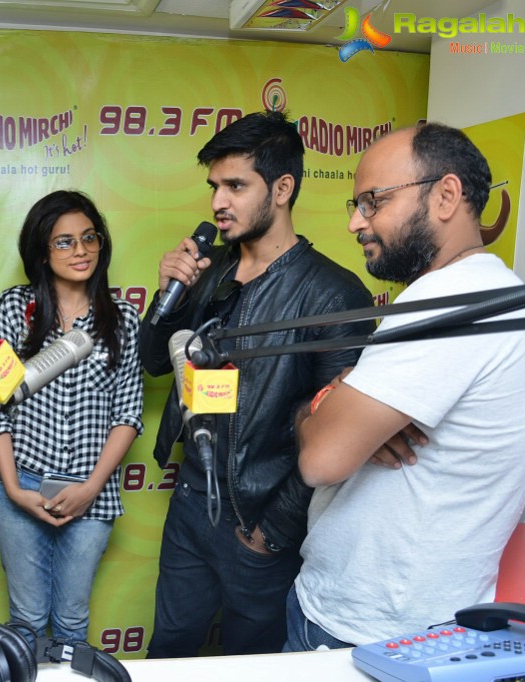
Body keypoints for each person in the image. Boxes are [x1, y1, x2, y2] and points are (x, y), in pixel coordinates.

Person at [288, 123, 525, 650]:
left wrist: (327, 410)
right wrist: (331, 403)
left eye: (372, 201)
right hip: (375, 612)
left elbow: (320, 457)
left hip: (374, 630)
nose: (355, 222)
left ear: (446, 195)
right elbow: (337, 427)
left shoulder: (454, 299)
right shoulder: (487, 289)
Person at [139, 110, 375, 657]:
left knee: (251, 662)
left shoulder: (334, 294)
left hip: (261, 517)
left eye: (236, 186)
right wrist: (167, 293)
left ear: (283, 188)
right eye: (214, 187)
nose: (219, 201)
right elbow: (155, 360)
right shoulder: (207, 271)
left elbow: (340, 431)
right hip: (192, 500)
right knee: (170, 646)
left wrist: (272, 531)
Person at [0, 190, 143, 643]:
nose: (82, 250)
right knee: (27, 620)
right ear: (42, 252)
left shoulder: (124, 319)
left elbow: (128, 413)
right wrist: (13, 488)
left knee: (71, 622)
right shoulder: (15, 309)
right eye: (65, 242)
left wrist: (90, 488)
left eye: (89, 238)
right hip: (22, 484)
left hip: (91, 491)